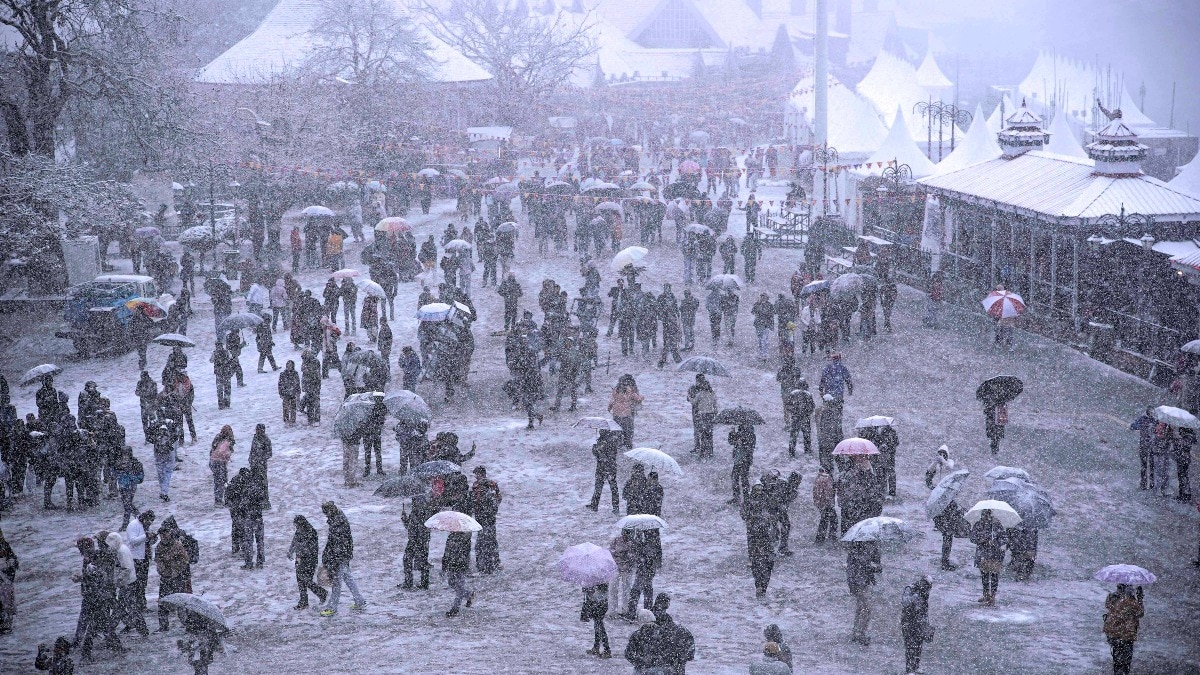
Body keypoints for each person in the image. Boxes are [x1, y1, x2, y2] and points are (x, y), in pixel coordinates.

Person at [319, 501, 366, 616]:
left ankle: (332, 607)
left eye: (326, 513)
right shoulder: (339, 520)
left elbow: (335, 543)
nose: (326, 515)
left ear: (330, 511)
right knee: (348, 578)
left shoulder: (337, 524)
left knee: (336, 582)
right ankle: (359, 600)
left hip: (339, 557)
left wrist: (332, 558)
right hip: (343, 555)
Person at [155, 522, 192, 632]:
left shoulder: (177, 545)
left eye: (165, 534)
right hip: (165, 578)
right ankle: (163, 625)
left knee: (181, 603)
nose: (163, 536)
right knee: (163, 602)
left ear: (169, 533)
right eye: (161, 535)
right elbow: (158, 561)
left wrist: (174, 570)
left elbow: (184, 560)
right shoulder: (159, 546)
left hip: (177, 578)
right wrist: (163, 571)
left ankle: (188, 625)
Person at [742, 483, 777, 599]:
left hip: (762, 538)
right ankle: (760, 587)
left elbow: (771, 515)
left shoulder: (764, 501)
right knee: (759, 565)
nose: (759, 492)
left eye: (761, 490)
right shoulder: (751, 502)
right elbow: (744, 513)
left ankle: (761, 587)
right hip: (757, 537)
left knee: (763, 565)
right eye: (757, 490)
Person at [287, 515, 327, 609]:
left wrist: (299, 550)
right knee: (300, 581)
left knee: (305, 580)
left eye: (297, 524)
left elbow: (310, 548)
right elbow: (295, 541)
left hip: (309, 560)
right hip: (300, 559)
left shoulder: (311, 532)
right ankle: (304, 601)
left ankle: (320, 593)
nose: (296, 527)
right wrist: (291, 551)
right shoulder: (299, 531)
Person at [1104, 584, 1145, 675]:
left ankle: (1117, 671)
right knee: (1126, 661)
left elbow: (1107, 605)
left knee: (1117, 657)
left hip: (1114, 632)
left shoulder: (1112, 597)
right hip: (1127, 634)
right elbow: (1140, 613)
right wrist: (1140, 598)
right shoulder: (1131, 601)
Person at [970, 509, 1008, 606]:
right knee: (985, 576)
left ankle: (993, 596)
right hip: (983, 554)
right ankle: (986, 594)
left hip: (995, 554)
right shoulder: (978, 525)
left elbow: (1004, 538)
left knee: (994, 576)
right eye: (983, 515)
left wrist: (995, 543)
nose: (985, 518)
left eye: (986, 515)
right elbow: (972, 538)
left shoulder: (996, 525)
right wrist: (981, 540)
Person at [846, 540, 881, 646]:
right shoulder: (855, 551)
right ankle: (860, 633)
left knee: (861, 608)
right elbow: (854, 568)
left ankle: (856, 631)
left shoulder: (873, 547)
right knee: (866, 609)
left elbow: (876, 565)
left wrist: (875, 567)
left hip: (863, 582)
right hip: (859, 583)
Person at [470, 466, 503, 574]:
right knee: (492, 540)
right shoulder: (493, 484)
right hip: (491, 517)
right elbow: (499, 498)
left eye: (476, 474)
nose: (475, 476)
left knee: (481, 542)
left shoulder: (477, 486)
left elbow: (474, 501)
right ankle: (494, 563)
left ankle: (483, 565)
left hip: (481, 517)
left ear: (479, 474)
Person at [900, 575, 934, 674]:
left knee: (919, 645)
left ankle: (916, 666)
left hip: (919, 622)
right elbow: (905, 602)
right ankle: (909, 669)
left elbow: (924, 609)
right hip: (908, 622)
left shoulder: (925, 593)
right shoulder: (910, 588)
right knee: (910, 645)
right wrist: (916, 596)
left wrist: (926, 623)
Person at [442, 525, 475, 618]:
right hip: (451, 564)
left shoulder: (465, 538)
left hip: (460, 565)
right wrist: (444, 565)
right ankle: (469, 595)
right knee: (451, 584)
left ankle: (455, 609)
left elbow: (465, 553)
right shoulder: (451, 537)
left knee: (459, 588)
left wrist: (463, 563)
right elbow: (446, 551)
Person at [125, 510, 154, 612]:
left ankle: (142, 605)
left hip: (144, 557)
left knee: (143, 583)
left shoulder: (144, 525)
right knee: (137, 584)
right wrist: (146, 536)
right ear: (144, 518)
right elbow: (133, 541)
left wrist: (152, 538)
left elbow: (146, 541)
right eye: (149, 521)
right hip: (136, 558)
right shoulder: (133, 525)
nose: (150, 524)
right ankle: (137, 605)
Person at [588, 429, 622, 513]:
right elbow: (597, 454)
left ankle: (614, 507)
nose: (600, 431)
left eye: (602, 430)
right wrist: (595, 448)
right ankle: (595, 505)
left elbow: (605, 454)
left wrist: (598, 448)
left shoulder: (609, 441)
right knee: (602, 487)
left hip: (606, 467)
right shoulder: (604, 440)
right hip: (605, 467)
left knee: (610, 487)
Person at [608, 374, 644, 449]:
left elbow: (612, 401)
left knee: (617, 429)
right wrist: (642, 397)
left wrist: (609, 408)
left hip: (616, 413)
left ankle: (618, 444)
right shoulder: (630, 390)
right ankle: (628, 444)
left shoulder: (616, 389)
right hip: (627, 414)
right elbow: (638, 399)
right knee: (628, 430)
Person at [686, 375, 717, 460]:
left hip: (701, 414)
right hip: (706, 414)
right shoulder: (710, 392)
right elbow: (715, 404)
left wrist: (690, 396)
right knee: (706, 433)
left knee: (702, 433)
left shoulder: (700, 392)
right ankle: (707, 450)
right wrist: (715, 413)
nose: (700, 381)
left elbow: (692, 401)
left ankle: (703, 451)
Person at [783, 381, 815, 458]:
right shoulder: (808, 394)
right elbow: (812, 406)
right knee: (806, 434)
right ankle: (807, 450)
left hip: (795, 418)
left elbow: (787, 405)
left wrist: (793, 411)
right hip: (805, 418)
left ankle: (791, 451)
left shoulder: (793, 394)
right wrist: (807, 413)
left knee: (793, 435)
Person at [581, 581, 612, 658]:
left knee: (599, 625)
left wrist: (592, 588)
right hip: (597, 602)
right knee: (597, 624)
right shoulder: (596, 576)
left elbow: (603, 588)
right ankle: (596, 646)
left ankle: (607, 649)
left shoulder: (600, 577)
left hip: (599, 603)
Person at [608, 530, 634, 619]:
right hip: (616, 568)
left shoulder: (633, 543)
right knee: (613, 589)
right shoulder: (616, 541)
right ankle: (612, 610)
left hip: (627, 570)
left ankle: (625, 610)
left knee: (626, 590)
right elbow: (611, 552)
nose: (626, 535)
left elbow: (633, 557)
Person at [729, 423, 756, 505]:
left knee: (744, 478)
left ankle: (746, 498)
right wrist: (732, 433)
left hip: (745, 459)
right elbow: (731, 441)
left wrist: (743, 443)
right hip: (738, 459)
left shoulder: (751, 434)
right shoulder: (738, 432)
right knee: (734, 477)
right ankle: (736, 497)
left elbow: (751, 445)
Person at [209, 425, 234, 507]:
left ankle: (220, 500)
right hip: (219, 462)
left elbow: (213, 448)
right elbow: (222, 452)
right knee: (221, 481)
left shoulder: (218, 438)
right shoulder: (227, 440)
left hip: (215, 461)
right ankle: (220, 501)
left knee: (220, 481)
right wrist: (228, 454)